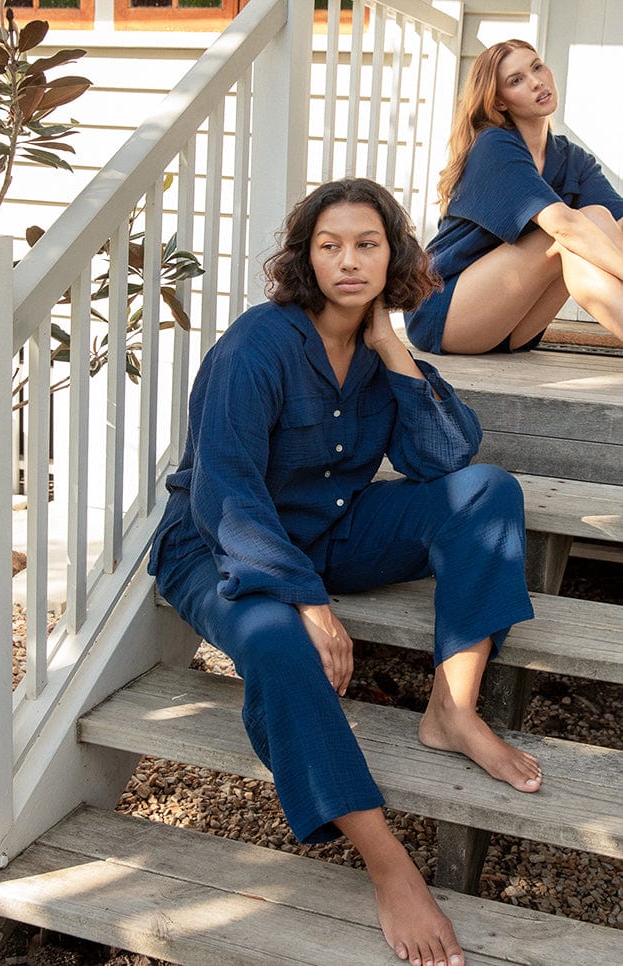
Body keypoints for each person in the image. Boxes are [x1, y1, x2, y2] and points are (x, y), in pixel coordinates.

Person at [149, 177, 542, 965]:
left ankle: (453, 709)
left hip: (333, 529)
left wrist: (394, 350)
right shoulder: (258, 344)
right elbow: (227, 494)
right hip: (219, 543)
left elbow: (445, 457)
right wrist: (307, 601)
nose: (350, 261)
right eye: (331, 246)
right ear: (308, 258)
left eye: (368, 244)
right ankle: (388, 865)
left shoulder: (377, 350)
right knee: (276, 641)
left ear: (392, 255)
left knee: (488, 490)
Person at [404, 39, 623, 355]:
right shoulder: (494, 145)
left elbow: (616, 226)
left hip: (513, 327)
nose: (536, 82)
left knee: (597, 217)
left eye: (537, 67)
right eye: (516, 80)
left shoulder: (571, 158)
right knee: (563, 236)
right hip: (443, 312)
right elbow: (563, 226)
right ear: (500, 102)